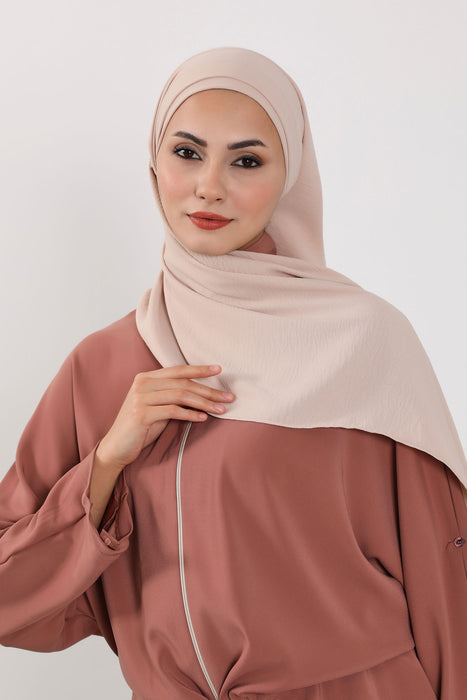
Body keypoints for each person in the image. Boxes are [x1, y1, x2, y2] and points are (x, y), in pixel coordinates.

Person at [0, 46, 466, 700]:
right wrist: (106, 462)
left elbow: (443, 568)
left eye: (246, 161)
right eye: (187, 153)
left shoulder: (362, 341)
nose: (209, 186)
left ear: (289, 177)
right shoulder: (104, 365)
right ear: (155, 162)